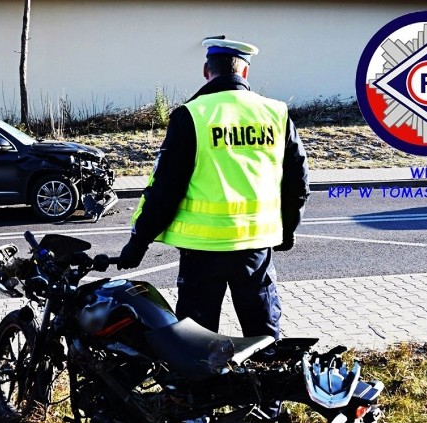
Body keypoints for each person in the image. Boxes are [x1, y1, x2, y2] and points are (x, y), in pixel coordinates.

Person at [117, 36, 310, 340]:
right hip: (255, 246)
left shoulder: (191, 115)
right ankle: (266, 387)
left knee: (197, 342)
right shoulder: (276, 113)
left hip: (202, 252)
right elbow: (297, 182)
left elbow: (166, 189)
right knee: (263, 338)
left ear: (207, 70)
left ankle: (202, 389)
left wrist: (138, 242)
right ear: (244, 72)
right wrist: (287, 231)